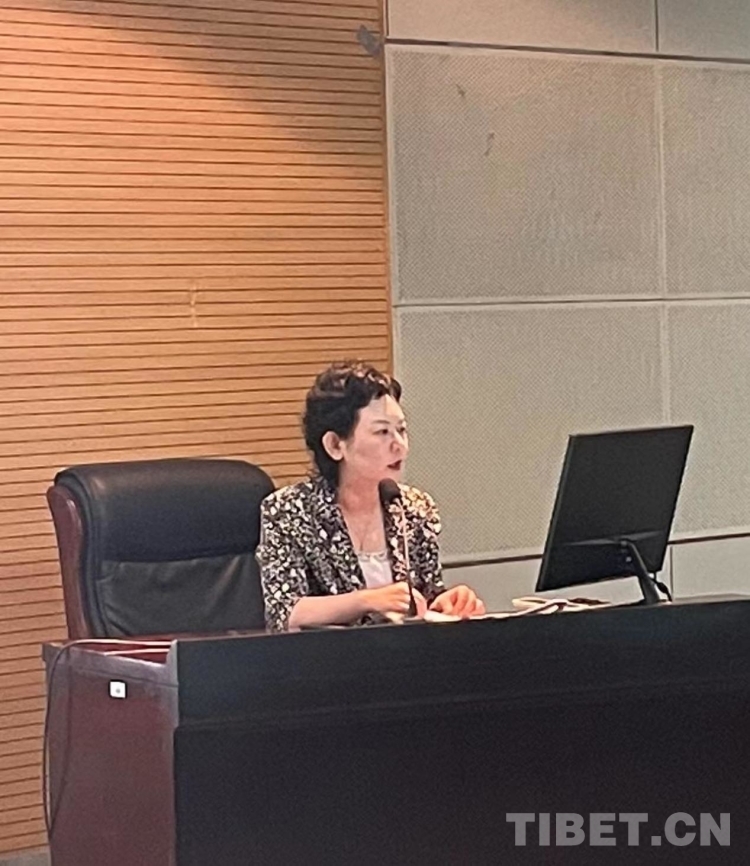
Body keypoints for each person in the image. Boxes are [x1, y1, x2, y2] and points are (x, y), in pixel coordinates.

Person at [258, 361, 485, 632]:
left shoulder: (415, 507)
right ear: (335, 445)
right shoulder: (288, 511)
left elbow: (423, 602)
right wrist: (367, 600)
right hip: (331, 656)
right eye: (382, 432)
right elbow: (285, 613)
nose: (400, 446)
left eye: (402, 430)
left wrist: (445, 605)